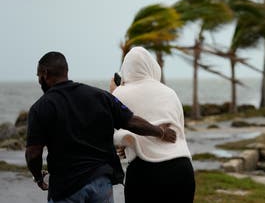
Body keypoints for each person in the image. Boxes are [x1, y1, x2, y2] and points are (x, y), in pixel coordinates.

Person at [25, 51, 177, 203]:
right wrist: (161, 132)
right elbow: (131, 122)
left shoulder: (40, 108)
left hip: (66, 187)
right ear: (66, 71)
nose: (39, 80)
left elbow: (33, 153)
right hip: (100, 182)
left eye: (38, 75)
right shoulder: (100, 96)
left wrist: (38, 177)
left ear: (44, 73)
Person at [111, 47, 195, 203]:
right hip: (182, 168)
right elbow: (179, 132)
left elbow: (115, 128)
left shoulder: (119, 93)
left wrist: (126, 143)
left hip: (145, 171)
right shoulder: (170, 93)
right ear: (152, 66)